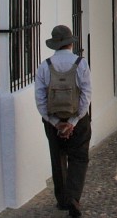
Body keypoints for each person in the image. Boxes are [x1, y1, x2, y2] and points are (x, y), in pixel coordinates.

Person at [35, 25, 92, 217]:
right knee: (79, 158)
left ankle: (62, 200)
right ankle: (73, 198)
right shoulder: (80, 63)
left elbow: (40, 98)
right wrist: (74, 121)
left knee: (58, 158)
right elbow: (86, 94)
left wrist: (54, 122)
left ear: (55, 45)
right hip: (78, 118)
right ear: (70, 43)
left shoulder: (45, 66)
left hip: (54, 120)